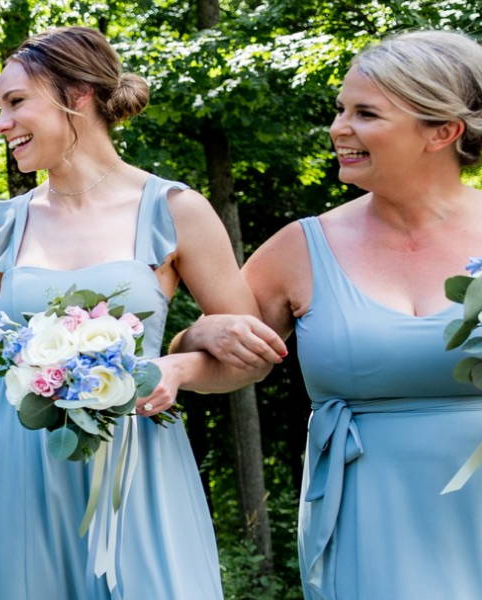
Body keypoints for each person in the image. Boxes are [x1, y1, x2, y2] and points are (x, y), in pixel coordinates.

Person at [175, 31, 482, 600]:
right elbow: (228, 363)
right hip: (369, 518)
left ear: (443, 131)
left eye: (365, 113)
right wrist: (200, 332)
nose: (339, 128)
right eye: (341, 110)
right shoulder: (300, 246)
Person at [0, 26, 262, 598]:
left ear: (77, 95)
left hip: (136, 457)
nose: (0, 125)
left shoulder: (175, 210)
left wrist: (178, 367)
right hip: (20, 463)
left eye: (16, 102)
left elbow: (251, 358)